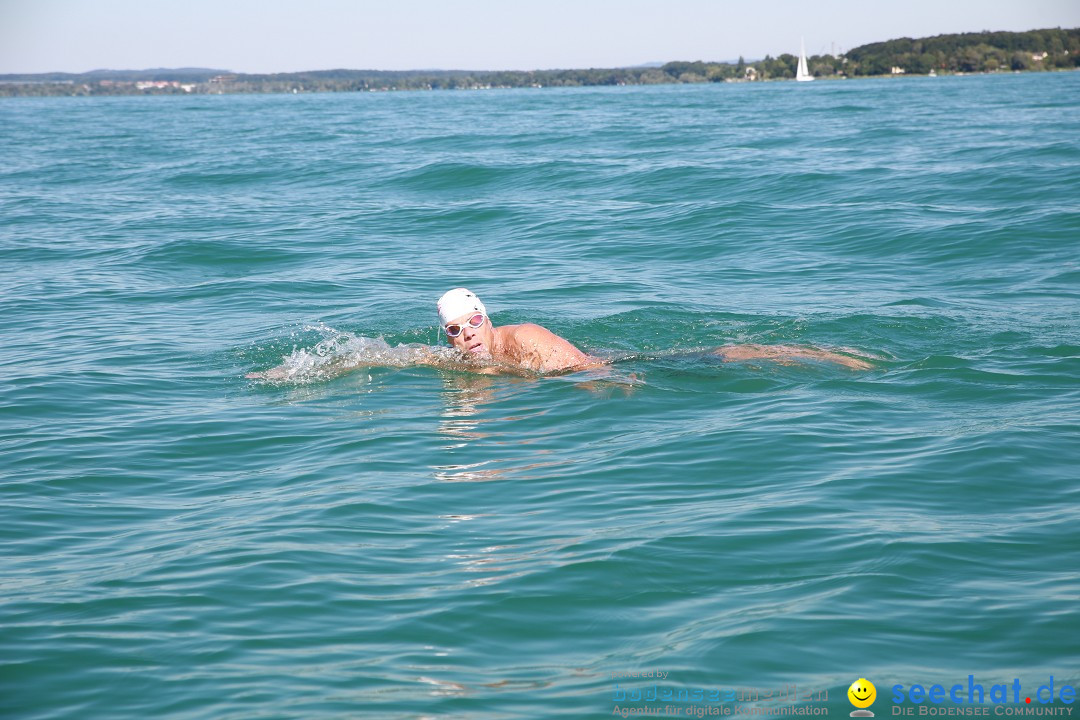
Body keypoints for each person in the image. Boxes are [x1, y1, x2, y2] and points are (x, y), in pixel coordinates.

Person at [246, 288, 871, 379]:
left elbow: (583, 369)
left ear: (487, 319)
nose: (465, 336)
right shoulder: (457, 361)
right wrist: (296, 371)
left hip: (612, 364)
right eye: (454, 331)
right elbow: (374, 356)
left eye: (472, 324)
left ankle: (824, 355)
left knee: (721, 356)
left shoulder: (523, 339)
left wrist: (615, 386)